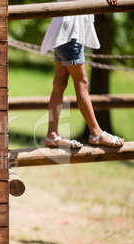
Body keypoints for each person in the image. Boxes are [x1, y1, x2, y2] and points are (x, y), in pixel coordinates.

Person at [40, 0, 124, 148]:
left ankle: (52, 135)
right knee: (82, 83)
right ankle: (96, 133)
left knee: (59, 84)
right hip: (70, 32)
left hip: (63, 29)